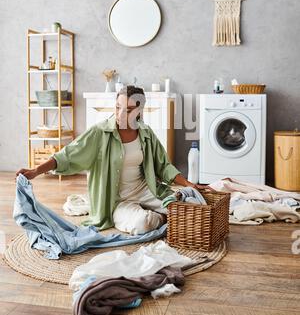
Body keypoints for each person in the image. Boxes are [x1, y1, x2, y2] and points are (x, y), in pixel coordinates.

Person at [16, 85, 207, 234]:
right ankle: (162, 218)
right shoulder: (100, 132)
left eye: (129, 109)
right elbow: (67, 155)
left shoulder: (146, 133)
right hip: (116, 200)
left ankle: (165, 212)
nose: (121, 114)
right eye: (118, 107)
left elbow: (164, 167)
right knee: (143, 224)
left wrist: (189, 184)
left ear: (140, 110)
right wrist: (36, 171)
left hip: (147, 191)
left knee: (194, 209)